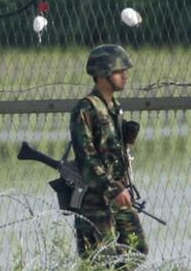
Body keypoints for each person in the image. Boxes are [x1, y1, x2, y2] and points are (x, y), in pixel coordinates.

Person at [70, 44, 148, 265]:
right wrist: (113, 189)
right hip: (95, 199)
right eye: (119, 71)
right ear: (103, 74)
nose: (125, 76)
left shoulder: (113, 106)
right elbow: (87, 158)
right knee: (100, 261)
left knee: (136, 250)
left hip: (118, 194)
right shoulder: (85, 109)